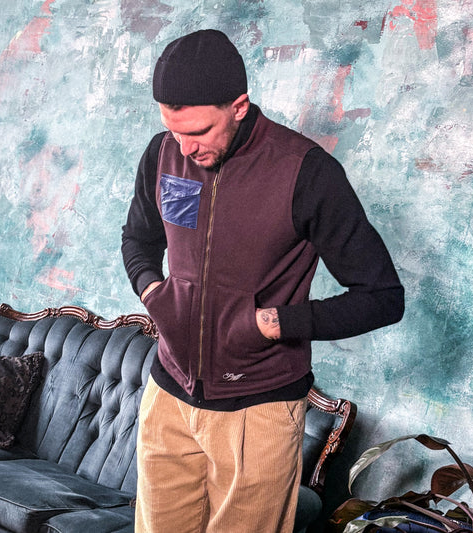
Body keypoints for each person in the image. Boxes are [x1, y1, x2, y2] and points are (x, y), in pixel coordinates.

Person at [121, 29, 404, 533]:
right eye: (173, 130)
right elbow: (138, 240)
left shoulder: (306, 172)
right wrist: (155, 294)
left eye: (199, 131)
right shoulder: (164, 154)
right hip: (168, 399)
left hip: (261, 411)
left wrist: (273, 323)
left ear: (239, 106)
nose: (185, 147)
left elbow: (382, 297)